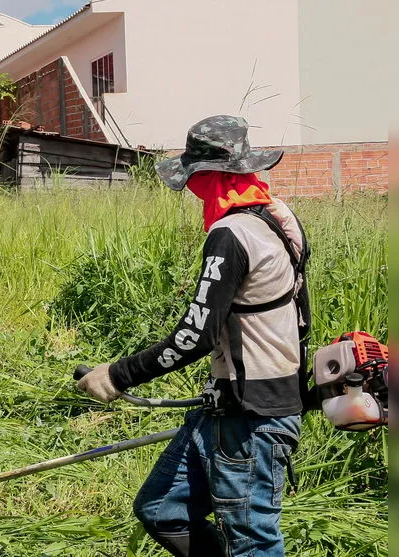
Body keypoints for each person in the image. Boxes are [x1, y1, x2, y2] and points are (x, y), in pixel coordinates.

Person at [77, 115, 309, 557]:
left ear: (208, 177)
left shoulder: (232, 234)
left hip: (251, 417)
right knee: (162, 507)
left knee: (252, 541)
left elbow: (194, 337)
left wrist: (117, 376)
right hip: (229, 404)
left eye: (192, 180)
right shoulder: (278, 219)